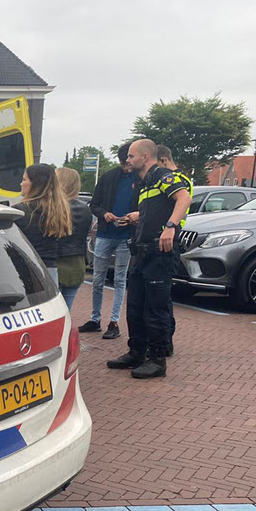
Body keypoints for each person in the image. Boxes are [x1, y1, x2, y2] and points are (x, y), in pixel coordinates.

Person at [107, 139, 192, 379]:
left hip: (159, 254)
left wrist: (170, 227)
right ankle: (136, 352)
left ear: (145, 156)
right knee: (135, 306)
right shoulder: (145, 183)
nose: (128, 161)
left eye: (132, 156)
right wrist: (137, 216)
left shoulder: (162, 175)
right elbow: (157, 208)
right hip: (142, 253)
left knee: (155, 309)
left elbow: (183, 199)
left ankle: (157, 360)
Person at [79, 143, 135, 340]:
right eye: (125, 163)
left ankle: (114, 322)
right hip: (105, 233)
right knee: (97, 279)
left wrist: (134, 217)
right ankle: (95, 319)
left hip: (126, 235)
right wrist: (105, 214)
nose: (128, 167)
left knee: (120, 279)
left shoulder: (142, 179)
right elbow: (94, 204)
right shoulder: (109, 177)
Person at [155, 145, 193, 356]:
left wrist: (169, 227)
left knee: (163, 295)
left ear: (162, 161)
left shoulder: (178, 181)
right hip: (166, 237)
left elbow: (180, 203)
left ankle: (166, 339)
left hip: (170, 239)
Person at [13, 164, 72, 286]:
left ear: (35, 184)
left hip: (25, 270)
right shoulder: (59, 211)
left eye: (24, 180)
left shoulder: (19, 212)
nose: (21, 184)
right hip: (50, 270)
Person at [54, 167, 91, 309]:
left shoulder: (54, 208)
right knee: (66, 310)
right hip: (77, 264)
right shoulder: (85, 209)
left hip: (57, 262)